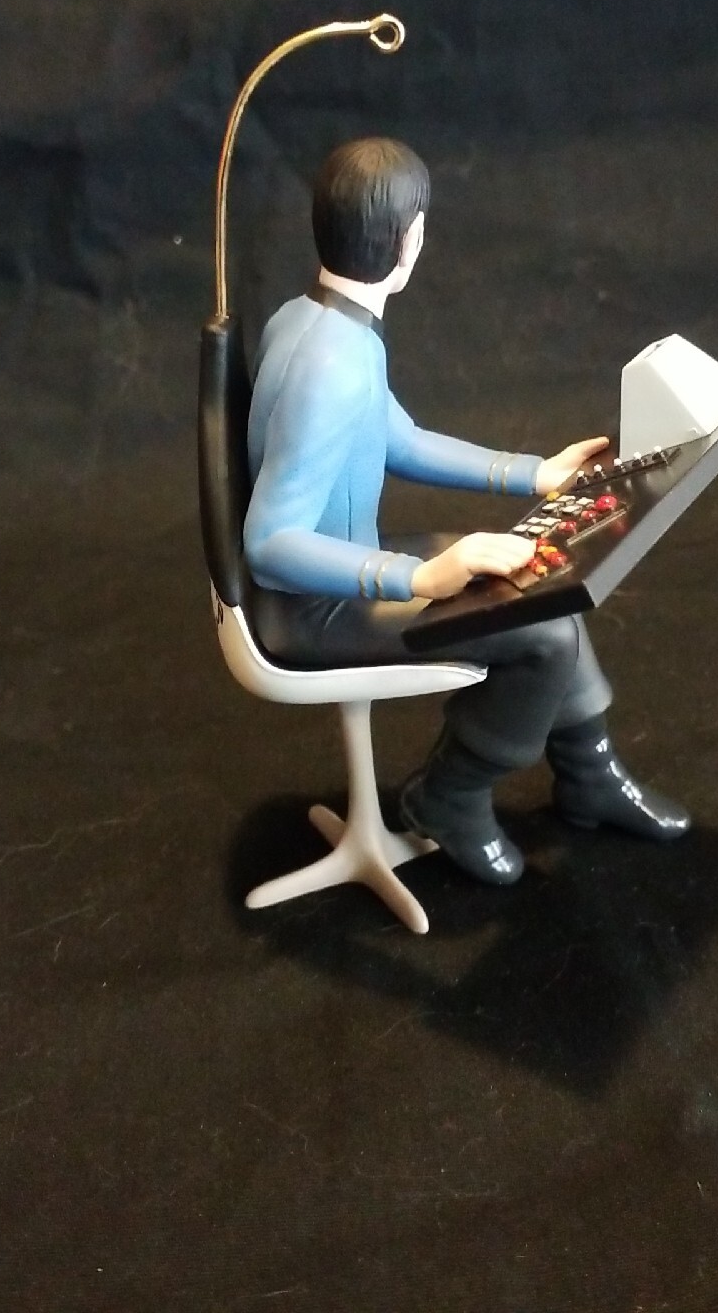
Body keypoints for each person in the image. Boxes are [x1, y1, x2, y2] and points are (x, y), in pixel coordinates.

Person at [244, 136, 689, 885]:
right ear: (408, 241)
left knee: (542, 579)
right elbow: (269, 541)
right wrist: (418, 577)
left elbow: (401, 439)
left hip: (342, 566)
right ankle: (449, 794)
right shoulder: (330, 363)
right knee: (544, 632)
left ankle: (591, 774)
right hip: (316, 605)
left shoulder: (314, 322)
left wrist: (534, 473)